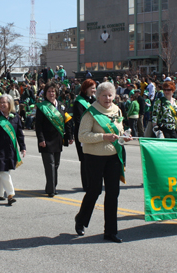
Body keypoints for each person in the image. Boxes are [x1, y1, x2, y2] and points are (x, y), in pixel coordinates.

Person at [74, 82, 132, 243]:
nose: (108, 98)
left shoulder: (117, 109)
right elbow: (82, 136)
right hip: (94, 157)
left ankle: (111, 231)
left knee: (113, 193)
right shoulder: (90, 113)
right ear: (98, 96)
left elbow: (119, 131)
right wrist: (103, 137)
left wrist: (125, 136)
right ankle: (81, 220)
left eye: (110, 95)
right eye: (104, 95)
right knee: (94, 190)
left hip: (113, 156)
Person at [35, 82, 74, 197]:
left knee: (56, 164)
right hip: (46, 140)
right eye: (49, 91)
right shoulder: (42, 107)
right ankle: (51, 190)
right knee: (50, 165)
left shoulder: (61, 105)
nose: (51, 93)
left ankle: (51, 187)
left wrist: (70, 136)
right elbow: (38, 125)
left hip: (58, 140)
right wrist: (41, 139)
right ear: (45, 93)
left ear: (56, 93)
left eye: (53, 91)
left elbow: (67, 121)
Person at [73, 79, 96, 191]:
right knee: (84, 159)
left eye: (95, 88)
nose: (94, 90)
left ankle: (93, 182)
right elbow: (78, 120)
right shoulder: (79, 102)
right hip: (82, 134)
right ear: (85, 88)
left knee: (93, 158)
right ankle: (86, 184)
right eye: (92, 88)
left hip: (94, 133)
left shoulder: (94, 100)